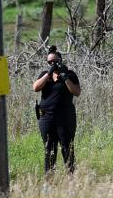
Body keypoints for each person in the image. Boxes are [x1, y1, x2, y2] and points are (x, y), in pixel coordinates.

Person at [32, 45, 81, 173]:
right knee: (49, 148)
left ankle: (71, 178)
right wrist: (48, 74)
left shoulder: (70, 74)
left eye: (55, 61)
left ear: (61, 60)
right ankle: (49, 179)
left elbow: (76, 91)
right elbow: (36, 87)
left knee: (67, 148)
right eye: (50, 62)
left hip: (65, 118)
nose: (53, 63)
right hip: (46, 117)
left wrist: (65, 77)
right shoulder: (45, 75)